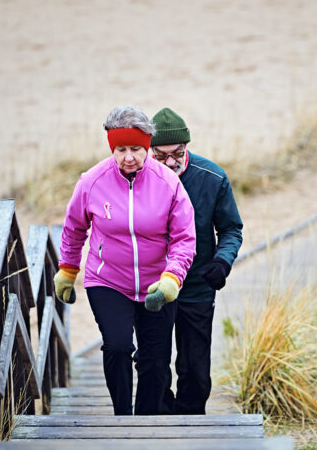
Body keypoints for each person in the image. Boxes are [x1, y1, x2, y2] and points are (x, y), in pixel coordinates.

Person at [54, 105, 196, 416]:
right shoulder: (92, 181)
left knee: (155, 361)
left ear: (147, 147)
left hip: (157, 283)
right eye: (120, 149)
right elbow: (74, 227)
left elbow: (185, 238)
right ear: (112, 148)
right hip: (108, 280)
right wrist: (67, 269)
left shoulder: (169, 185)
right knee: (117, 346)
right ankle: (122, 414)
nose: (128, 157)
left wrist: (172, 278)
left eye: (135, 148)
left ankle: (143, 422)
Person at [150, 107, 243, 414]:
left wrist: (222, 262)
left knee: (195, 369)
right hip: (152, 286)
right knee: (154, 364)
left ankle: (192, 424)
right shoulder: (135, 178)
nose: (171, 162)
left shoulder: (212, 177)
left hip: (198, 286)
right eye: (160, 156)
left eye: (178, 152)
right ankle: (160, 426)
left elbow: (231, 229)